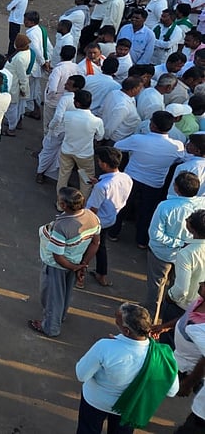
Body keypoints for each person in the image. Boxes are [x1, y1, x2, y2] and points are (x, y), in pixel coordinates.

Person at [74, 303, 178, 433]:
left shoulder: (104, 346)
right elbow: (172, 391)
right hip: (129, 407)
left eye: (117, 321)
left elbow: (81, 375)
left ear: (126, 331)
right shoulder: (162, 355)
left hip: (96, 401)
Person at [29, 187, 101, 337]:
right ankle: (60, 316)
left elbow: (58, 257)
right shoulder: (92, 217)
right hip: (76, 261)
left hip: (57, 266)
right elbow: (95, 243)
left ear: (63, 205)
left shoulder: (61, 227)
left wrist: (75, 267)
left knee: (52, 297)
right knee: (66, 293)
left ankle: (51, 328)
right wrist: (82, 265)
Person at [113, 111, 186, 247]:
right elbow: (180, 159)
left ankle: (113, 232)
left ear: (152, 125)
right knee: (147, 212)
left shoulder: (138, 139)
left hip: (131, 178)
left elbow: (117, 146)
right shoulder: (177, 146)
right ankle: (142, 241)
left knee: (122, 205)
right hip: (155, 183)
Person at [145, 174, 205, 314]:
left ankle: (152, 315)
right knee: (177, 286)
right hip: (187, 254)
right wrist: (183, 244)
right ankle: (164, 313)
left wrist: (177, 243)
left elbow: (155, 234)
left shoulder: (165, 206)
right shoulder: (201, 205)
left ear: (176, 188)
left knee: (156, 287)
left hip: (162, 254)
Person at [85, 147, 133, 287]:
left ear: (105, 164)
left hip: (96, 221)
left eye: (99, 161)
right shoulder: (126, 178)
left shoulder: (102, 187)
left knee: (87, 247)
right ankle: (101, 274)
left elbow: (93, 209)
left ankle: (79, 273)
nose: (98, 163)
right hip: (110, 218)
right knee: (101, 246)